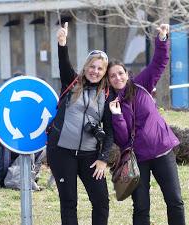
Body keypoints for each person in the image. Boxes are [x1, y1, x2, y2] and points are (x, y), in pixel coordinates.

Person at [108, 24, 186, 225]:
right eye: (112, 75)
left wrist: (162, 39)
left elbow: (159, 63)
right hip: (137, 159)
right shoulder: (111, 104)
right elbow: (123, 139)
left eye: (120, 73)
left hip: (162, 151)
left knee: (175, 201)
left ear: (127, 73)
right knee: (141, 206)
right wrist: (116, 116)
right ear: (108, 80)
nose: (117, 77)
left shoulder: (142, 83)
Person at [46, 22, 113, 225]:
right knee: (68, 203)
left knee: (101, 202)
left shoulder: (108, 95)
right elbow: (63, 63)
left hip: (90, 156)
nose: (95, 71)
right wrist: (62, 42)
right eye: (91, 66)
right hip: (61, 152)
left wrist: (103, 159)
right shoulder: (72, 83)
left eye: (100, 68)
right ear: (85, 67)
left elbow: (110, 131)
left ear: (105, 71)